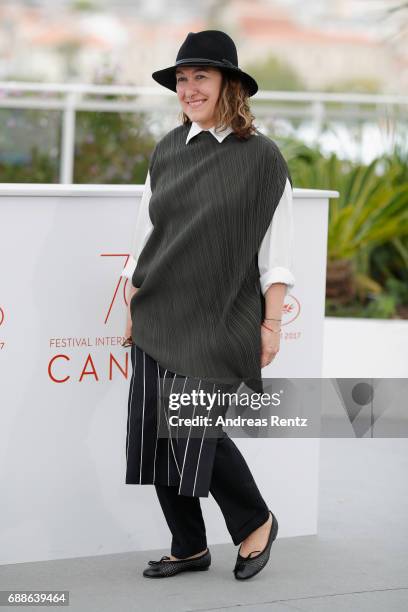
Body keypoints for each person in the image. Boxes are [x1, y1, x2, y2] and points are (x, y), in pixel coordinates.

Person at [121, 30, 295, 580]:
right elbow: (148, 232)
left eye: (200, 76)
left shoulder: (262, 159)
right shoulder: (168, 149)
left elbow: (277, 253)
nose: (188, 89)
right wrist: (133, 300)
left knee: (193, 427)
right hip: (160, 310)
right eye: (181, 79)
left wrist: (271, 324)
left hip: (221, 318)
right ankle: (189, 545)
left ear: (231, 85)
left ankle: (255, 522)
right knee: (155, 431)